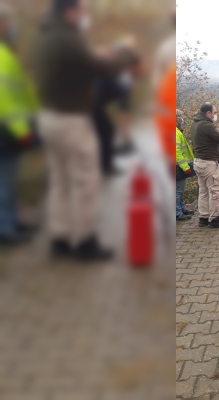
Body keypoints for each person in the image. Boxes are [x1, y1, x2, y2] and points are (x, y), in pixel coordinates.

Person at [31, 0, 138, 261]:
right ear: (69, 11)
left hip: (48, 116)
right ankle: (85, 242)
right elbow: (104, 68)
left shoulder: (45, 37)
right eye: (81, 9)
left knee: (59, 180)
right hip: (72, 120)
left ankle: (60, 238)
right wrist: (124, 51)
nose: (84, 15)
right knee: (85, 180)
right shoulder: (71, 37)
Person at [0, 3, 40, 245]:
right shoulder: (3, 57)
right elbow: (6, 100)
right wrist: (23, 131)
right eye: (8, 22)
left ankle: (11, 221)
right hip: (7, 132)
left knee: (11, 179)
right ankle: (6, 227)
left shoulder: (8, 53)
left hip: (11, 131)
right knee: (5, 181)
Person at [92, 48, 141, 177]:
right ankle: (105, 167)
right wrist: (126, 137)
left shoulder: (115, 74)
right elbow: (124, 109)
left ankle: (104, 165)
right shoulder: (121, 78)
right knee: (105, 132)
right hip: (88, 105)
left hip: (91, 104)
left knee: (105, 131)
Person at [189, 103, 219, 228]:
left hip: (199, 162)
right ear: (208, 113)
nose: (215, 115)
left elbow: (208, 136)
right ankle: (214, 218)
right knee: (215, 191)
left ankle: (203, 217)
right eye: (214, 113)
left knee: (204, 192)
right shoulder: (207, 125)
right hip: (209, 163)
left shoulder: (196, 123)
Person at [175, 109, 194, 221]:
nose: (182, 119)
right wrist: (185, 167)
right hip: (178, 167)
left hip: (179, 167)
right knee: (177, 191)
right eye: (180, 117)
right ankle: (177, 213)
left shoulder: (177, 131)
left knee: (180, 190)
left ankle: (182, 209)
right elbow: (176, 151)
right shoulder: (175, 132)